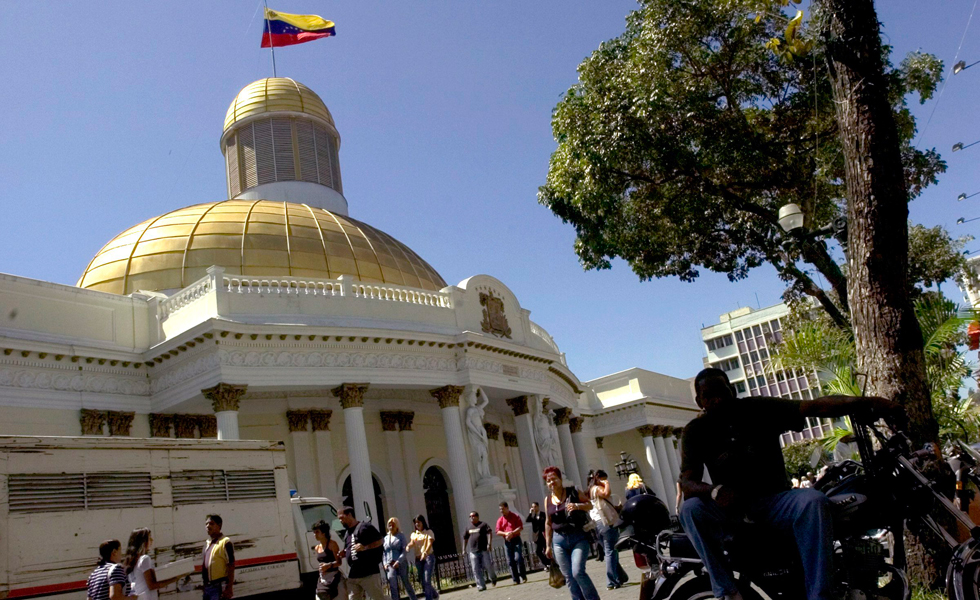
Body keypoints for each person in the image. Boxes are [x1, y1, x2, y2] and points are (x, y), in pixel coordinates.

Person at [679, 367, 903, 600]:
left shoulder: (759, 408)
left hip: (776, 500)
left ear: (732, 391)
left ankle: (821, 595)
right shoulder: (695, 431)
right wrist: (714, 491)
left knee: (813, 500)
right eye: (708, 395)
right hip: (732, 510)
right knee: (690, 509)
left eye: (721, 392)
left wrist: (873, 402)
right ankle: (727, 591)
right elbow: (687, 482)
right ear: (699, 401)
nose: (717, 400)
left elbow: (815, 406)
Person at [543, 466, 601, 600]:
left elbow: (590, 505)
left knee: (577, 572)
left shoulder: (573, 491)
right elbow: (548, 522)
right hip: (559, 540)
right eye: (548, 480)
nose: (552, 482)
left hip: (578, 537)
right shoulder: (548, 500)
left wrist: (577, 506)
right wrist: (547, 545)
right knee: (568, 576)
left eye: (554, 479)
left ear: (560, 479)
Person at [589, 470, 628, 589]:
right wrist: (607, 484)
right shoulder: (597, 488)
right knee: (611, 551)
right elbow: (606, 493)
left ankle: (621, 577)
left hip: (596, 524)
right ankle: (611, 581)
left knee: (609, 551)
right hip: (605, 522)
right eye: (604, 478)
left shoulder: (591, 490)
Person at [338, 506, 385, 600]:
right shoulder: (347, 532)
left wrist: (365, 547)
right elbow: (350, 547)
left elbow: (380, 540)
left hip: (369, 573)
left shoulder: (365, 527)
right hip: (354, 574)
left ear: (349, 515)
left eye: (341, 518)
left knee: (377, 598)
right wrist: (344, 553)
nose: (340, 521)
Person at [123, 528, 181, 600]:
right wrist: (176, 578)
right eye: (149, 538)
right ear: (143, 542)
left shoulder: (131, 560)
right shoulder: (144, 559)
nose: (152, 540)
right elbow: (152, 585)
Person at [202, 514, 235, 600]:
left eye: (211, 524)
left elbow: (231, 565)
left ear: (219, 526)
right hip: (207, 588)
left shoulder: (225, 542)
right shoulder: (208, 543)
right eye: (206, 524)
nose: (208, 526)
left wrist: (229, 587)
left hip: (219, 588)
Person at [383, 518, 418, 600]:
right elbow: (384, 552)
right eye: (389, 524)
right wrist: (385, 563)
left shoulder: (400, 536)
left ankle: (413, 598)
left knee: (406, 582)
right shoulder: (386, 538)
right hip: (390, 563)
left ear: (397, 525)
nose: (391, 526)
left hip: (401, 562)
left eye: (393, 524)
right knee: (392, 582)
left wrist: (399, 561)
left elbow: (404, 550)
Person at [462, 511, 497, 591]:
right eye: (470, 516)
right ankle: (481, 586)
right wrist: (464, 549)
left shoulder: (483, 525)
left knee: (488, 565)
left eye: (473, 516)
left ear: (477, 517)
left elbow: (489, 533)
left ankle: (493, 578)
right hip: (473, 551)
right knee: (475, 569)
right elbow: (465, 538)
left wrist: (489, 544)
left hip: (483, 549)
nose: (472, 517)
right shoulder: (468, 527)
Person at [312, 519, 346, 600]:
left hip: (334, 577)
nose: (314, 535)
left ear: (324, 533)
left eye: (317, 532)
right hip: (323, 578)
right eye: (314, 532)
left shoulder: (332, 544)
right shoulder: (317, 547)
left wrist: (329, 565)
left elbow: (339, 562)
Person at [407, 515, 438, 600]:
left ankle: (429, 598)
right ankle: (435, 595)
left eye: (418, 522)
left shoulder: (428, 531)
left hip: (428, 557)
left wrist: (425, 552)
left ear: (423, 522)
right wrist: (408, 546)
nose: (417, 524)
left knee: (427, 580)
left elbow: (429, 543)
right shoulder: (414, 534)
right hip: (418, 559)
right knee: (423, 581)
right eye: (415, 523)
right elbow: (412, 542)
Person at [495, 502, 527, 584]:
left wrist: (512, 533)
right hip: (507, 541)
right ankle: (515, 579)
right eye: (500, 509)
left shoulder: (515, 516)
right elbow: (497, 531)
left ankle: (523, 575)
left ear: (507, 508)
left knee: (518, 558)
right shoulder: (500, 520)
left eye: (502, 509)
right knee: (510, 561)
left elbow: (520, 527)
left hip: (516, 539)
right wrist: (505, 533)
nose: (501, 511)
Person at [526, 502, 550, 568]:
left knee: (546, 550)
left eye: (535, 506)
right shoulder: (533, 516)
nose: (534, 508)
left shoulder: (543, 514)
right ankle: (546, 563)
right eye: (533, 507)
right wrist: (530, 513)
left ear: (538, 506)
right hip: (537, 536)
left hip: (544, 535)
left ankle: (550, 564)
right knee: (538, 551)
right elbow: (527, 520)